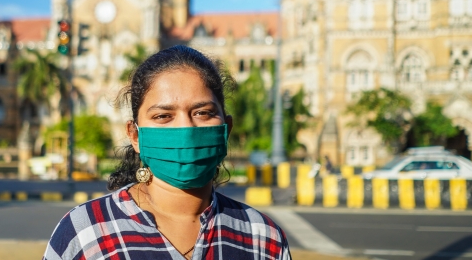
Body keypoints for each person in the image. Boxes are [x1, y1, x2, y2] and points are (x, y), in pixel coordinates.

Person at [43, 46, 291, 260]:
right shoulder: (85, 232)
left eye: (203, 113)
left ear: (226, 129)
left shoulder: (262, 238)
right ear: (135, 135)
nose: (185, 128)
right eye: (163, 116)